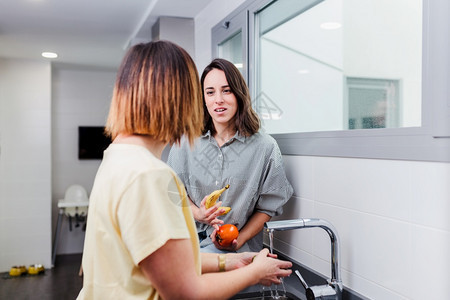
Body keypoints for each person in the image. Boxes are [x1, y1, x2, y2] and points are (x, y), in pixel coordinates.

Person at [77, 41, 292, 300]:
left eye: (225, 91)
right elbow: (185, 292)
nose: (213, 101)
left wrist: (231, 262)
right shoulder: (148, 175)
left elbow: (159, 263)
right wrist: (255, 272)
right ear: (178, 98)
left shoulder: (117, 156)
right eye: (203, 92)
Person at [167, 58, 294, 253]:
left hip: (235, 250)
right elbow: (173, 192)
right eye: (210, 92)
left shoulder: (265, 147)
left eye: (226, 90)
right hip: (186, 245)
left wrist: (240, 239)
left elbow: (267, 208)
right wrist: (198, 214)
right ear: (203, 99)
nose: (218, 99)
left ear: (239, 94)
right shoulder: (184, 143)